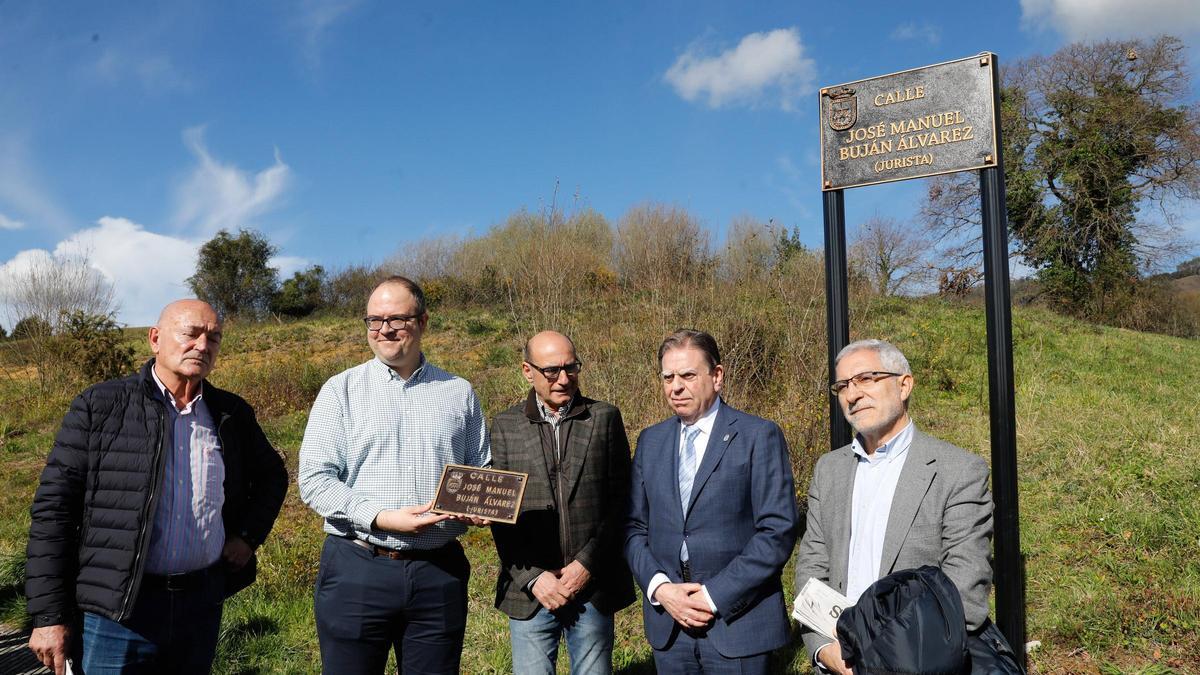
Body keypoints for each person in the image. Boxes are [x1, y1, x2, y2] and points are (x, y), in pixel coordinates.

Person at [25, 299, 289, 675]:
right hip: (119, 613)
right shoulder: (100, 407)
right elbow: (54, 511)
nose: (203, 345)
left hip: (201, 604)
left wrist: (247, 536)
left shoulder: (230, 413)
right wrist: (49, 615)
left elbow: (272, 477)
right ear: (155, 338)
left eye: (214, 338)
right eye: (191, 333)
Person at [298, 275, 490, 675]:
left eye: (397, 319)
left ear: (422, 322)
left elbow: (479, 470)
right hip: (357, 566)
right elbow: (315, 479)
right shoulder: (341, 390)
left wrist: (480, 507)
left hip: (439, 573)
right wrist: (381, 517)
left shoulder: (459, 391)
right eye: (374, 320)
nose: (384, 329)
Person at [794, 339, 995, 675]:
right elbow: (812, 567)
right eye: (843, 386)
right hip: (837, 662)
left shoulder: (958, 471)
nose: (852, 394)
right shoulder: (829, 470)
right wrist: (822, 650)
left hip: (918, 663)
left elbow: (965, 594)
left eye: (866, 379)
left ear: (904, 386)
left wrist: (883, 657)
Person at [624, 329, 799, 674]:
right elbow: (633, 528)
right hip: (670, 627)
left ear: (717, 376)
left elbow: (776, 531)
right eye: (668, 377)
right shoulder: (651, 441)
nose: (676, 386)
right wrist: (661, 588)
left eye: (688, 375)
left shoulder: (757, 435)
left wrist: (713, 596)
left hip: (738, 626)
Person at [490, 331, 635, 675]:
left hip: (592, 585)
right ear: (528, 371)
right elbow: (498, 513)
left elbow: (622, 503)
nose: (564, 379)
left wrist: (587, 565)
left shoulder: (604, 418)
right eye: (552, 370)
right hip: (531, 591)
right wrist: (534, 577)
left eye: (572, 368)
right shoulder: (505, 426)